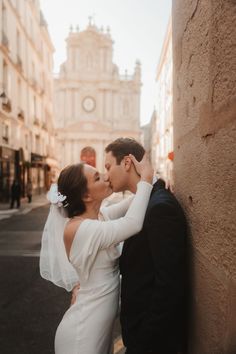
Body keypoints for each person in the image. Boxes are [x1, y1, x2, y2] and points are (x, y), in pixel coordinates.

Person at [40, 154, 153, 354]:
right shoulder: (80, 229)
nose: (107, 177)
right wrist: (146, 178)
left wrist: (157, 184)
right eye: (98, 178)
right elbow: (133, 223)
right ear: (86, 196)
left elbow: (135, 203)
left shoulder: (100, 217)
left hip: (97, 326)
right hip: (82, 333)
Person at [104, 138, 188, 354]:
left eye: (107, 166)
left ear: (126, 163)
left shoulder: (159, 207)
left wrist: (143, 342)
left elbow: (169, 286)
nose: (106, 175)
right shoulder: (147, 201)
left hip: (153, 342)